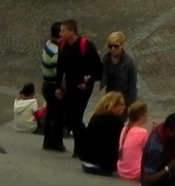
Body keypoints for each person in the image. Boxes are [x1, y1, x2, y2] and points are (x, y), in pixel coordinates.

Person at [57, 19, 103, 157]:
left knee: (75, 119)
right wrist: (58, 86)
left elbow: (98, 69)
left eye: (63, 31)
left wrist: (89, 80)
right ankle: (82, 146)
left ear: (72, 31)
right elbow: (60, 67)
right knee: (69, 119)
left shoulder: (86, 45)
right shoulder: (63, 45)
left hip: (83, 89)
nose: (60, 33)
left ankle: (82, 148)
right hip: (69, 88)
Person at [82, 91, 130, 176]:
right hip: (102, 166)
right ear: (113, 105)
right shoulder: (116, 120)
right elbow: (121, 141)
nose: (124, 107)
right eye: (122, 104)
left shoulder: (95, 116)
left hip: (86, 162)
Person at [41, 21, 68, 152]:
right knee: (57, 116)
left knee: (51, 113)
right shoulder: (56, 52)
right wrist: (63, 88)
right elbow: (59, 74)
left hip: (46, 84)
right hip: (53, 87)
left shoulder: (48, 44)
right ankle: (56, 143)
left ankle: (48, 141)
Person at [143, 113, 175, 186]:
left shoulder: (162, 131)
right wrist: (172, 165)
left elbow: (174, 145)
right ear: (169, 132)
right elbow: (147, 181)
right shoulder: (156, 149)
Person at [117, 101, 150, 182]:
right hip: (136, 174)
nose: (147, 116)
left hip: (121, 171)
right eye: (146, 113)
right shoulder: (142, 132)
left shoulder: (125, 129)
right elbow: (149, 151)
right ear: (141, 115)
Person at [105, 31, 139, 105]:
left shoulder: (129, 62)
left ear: (121, 46)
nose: (113, 48)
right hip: (109, 97)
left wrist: (131, 104)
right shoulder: (106, 59)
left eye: (116, 46)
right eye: (110, 46)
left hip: (123, 99)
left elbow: (132, 85)